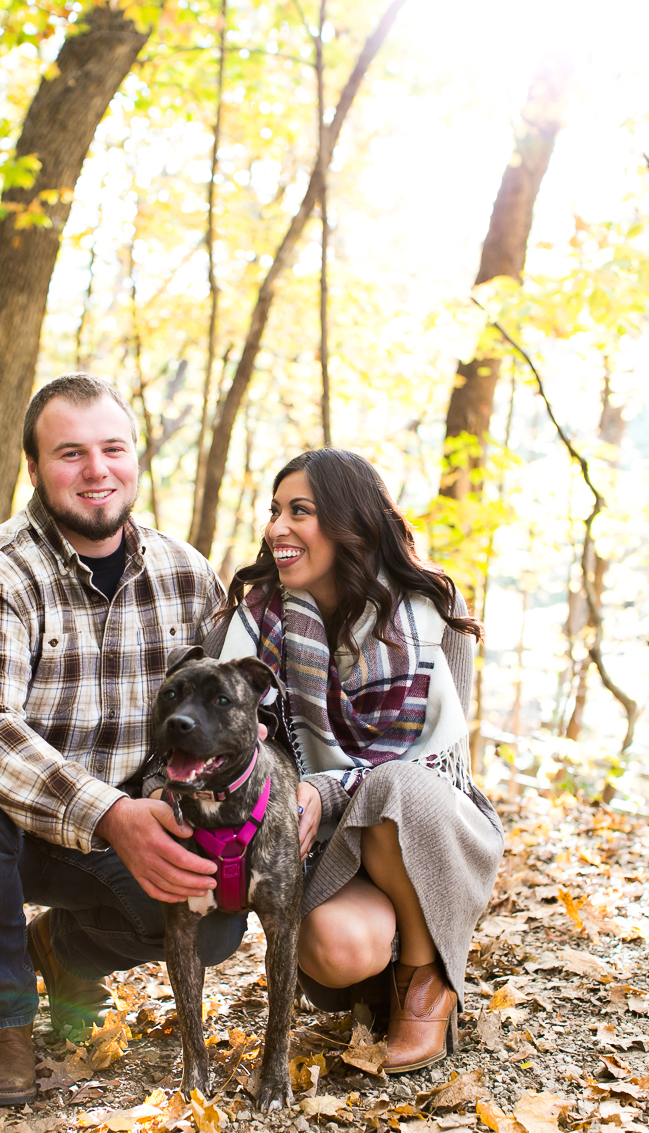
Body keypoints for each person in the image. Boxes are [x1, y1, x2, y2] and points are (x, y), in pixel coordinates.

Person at [0, 373, 246, 1108]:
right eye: (70, 453)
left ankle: (61, 948)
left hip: (132, 816)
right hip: (1, 820)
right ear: (33, 469)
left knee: (214, 922)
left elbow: (224, 714)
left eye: (112, 448)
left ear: (135, 458)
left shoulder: (187, 577)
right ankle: (2, 1020)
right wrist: (108, 816)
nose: (96, 471)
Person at [211, 448, 504, 1073]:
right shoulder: (256, 621)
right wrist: (295, 791)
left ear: (352, 524)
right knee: (338, 949)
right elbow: (235, 744)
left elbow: (439, 763)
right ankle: (381, 970)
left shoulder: (431, 615)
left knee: (393, 787)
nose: (275, 529)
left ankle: (427, 982)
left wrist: (331, 788)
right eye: (274, 511)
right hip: (323, 841)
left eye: (300, 512)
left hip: (425, 822)